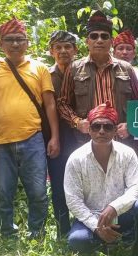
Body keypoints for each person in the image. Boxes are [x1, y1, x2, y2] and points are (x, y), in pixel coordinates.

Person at [58, 11, 138, 204]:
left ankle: (137, 223)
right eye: (94, 36)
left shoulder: (125, 69)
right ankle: (92, 223)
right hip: (87, 139)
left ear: (110, 41)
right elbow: (63, 103)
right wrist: (77, 122)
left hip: (122, 139)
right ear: (87, 41)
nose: (99, 40)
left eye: (104, 36)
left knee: (133, 182)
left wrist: (131, 124)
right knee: (91, 185)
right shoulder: (75, 69)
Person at [0, 17, 59, 239]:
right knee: (4, 192)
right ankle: (6, 234)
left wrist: (54, 137)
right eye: (10, 40)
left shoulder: (40, 68)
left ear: (27, 43)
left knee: (38, 192)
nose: (15, 44)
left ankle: (37, 233)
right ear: (1, 44)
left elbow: (50, 104)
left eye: (19, 39)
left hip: (32, 139)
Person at [65, 102, 138, 256]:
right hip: (91, 216)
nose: (101, 131)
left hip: (121, 214)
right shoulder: (76, 159)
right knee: (77, 241)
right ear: (89, 130)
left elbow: (137, 187)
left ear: (114, 131)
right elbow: (73, 200)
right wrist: (96, 227)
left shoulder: (127, 154)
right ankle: (105, 241)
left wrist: (114, 208)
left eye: (107, 127)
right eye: (96, 126)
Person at [112, 29, 138, 204]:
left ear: (134, 52)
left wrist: (131, 125)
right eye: (120, 48)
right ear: (114, 51)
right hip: (112, 132)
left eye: (128, 49)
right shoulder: (107, 72)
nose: (124, 52)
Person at [46, 30, 78, 237]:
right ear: (51, 51)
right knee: (58, 182)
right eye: (58, 47)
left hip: (80, 135)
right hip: (55, 136)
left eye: (67, 47)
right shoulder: (45, 75)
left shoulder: (83, 71)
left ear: (75, 50)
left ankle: (85, 226)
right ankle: (62, 229)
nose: (63, 51)